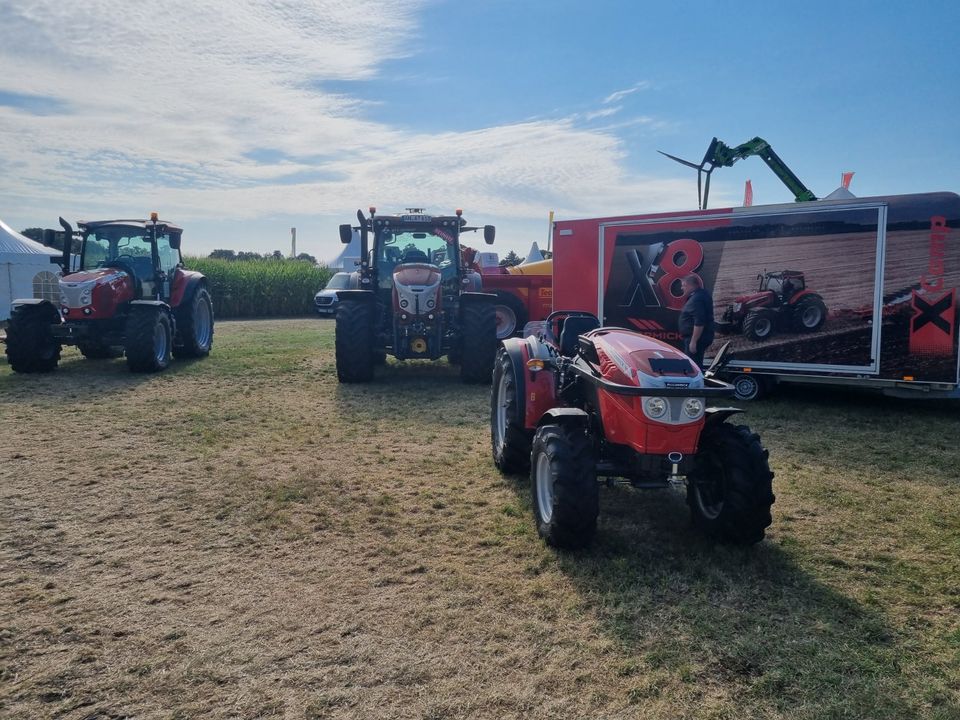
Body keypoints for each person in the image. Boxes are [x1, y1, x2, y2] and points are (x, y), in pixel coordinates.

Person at [678, 273, 714, 368]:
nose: (682, 288)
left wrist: (694, 341)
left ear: (691, 285)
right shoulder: (701, 295)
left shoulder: (697, 299)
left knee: (692, 367)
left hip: (696, 339)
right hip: (698, 338)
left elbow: (699, 321)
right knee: (694, 365)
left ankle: (696, 383)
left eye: (684, 285)